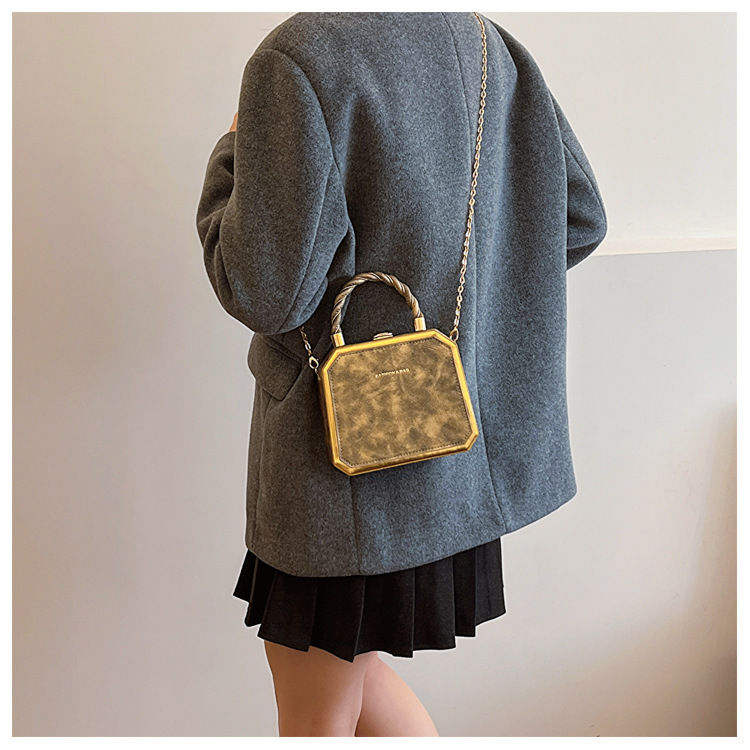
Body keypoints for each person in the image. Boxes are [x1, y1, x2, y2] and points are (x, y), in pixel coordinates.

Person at [196, 11, 607, 737]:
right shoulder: (488, 44)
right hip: (444, 450)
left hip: (339, 465)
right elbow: (577, 217)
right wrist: (472, 311)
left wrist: (232, 153)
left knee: (317, 711)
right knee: (352, 680)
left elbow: (262, 290)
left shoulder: (297, 59)